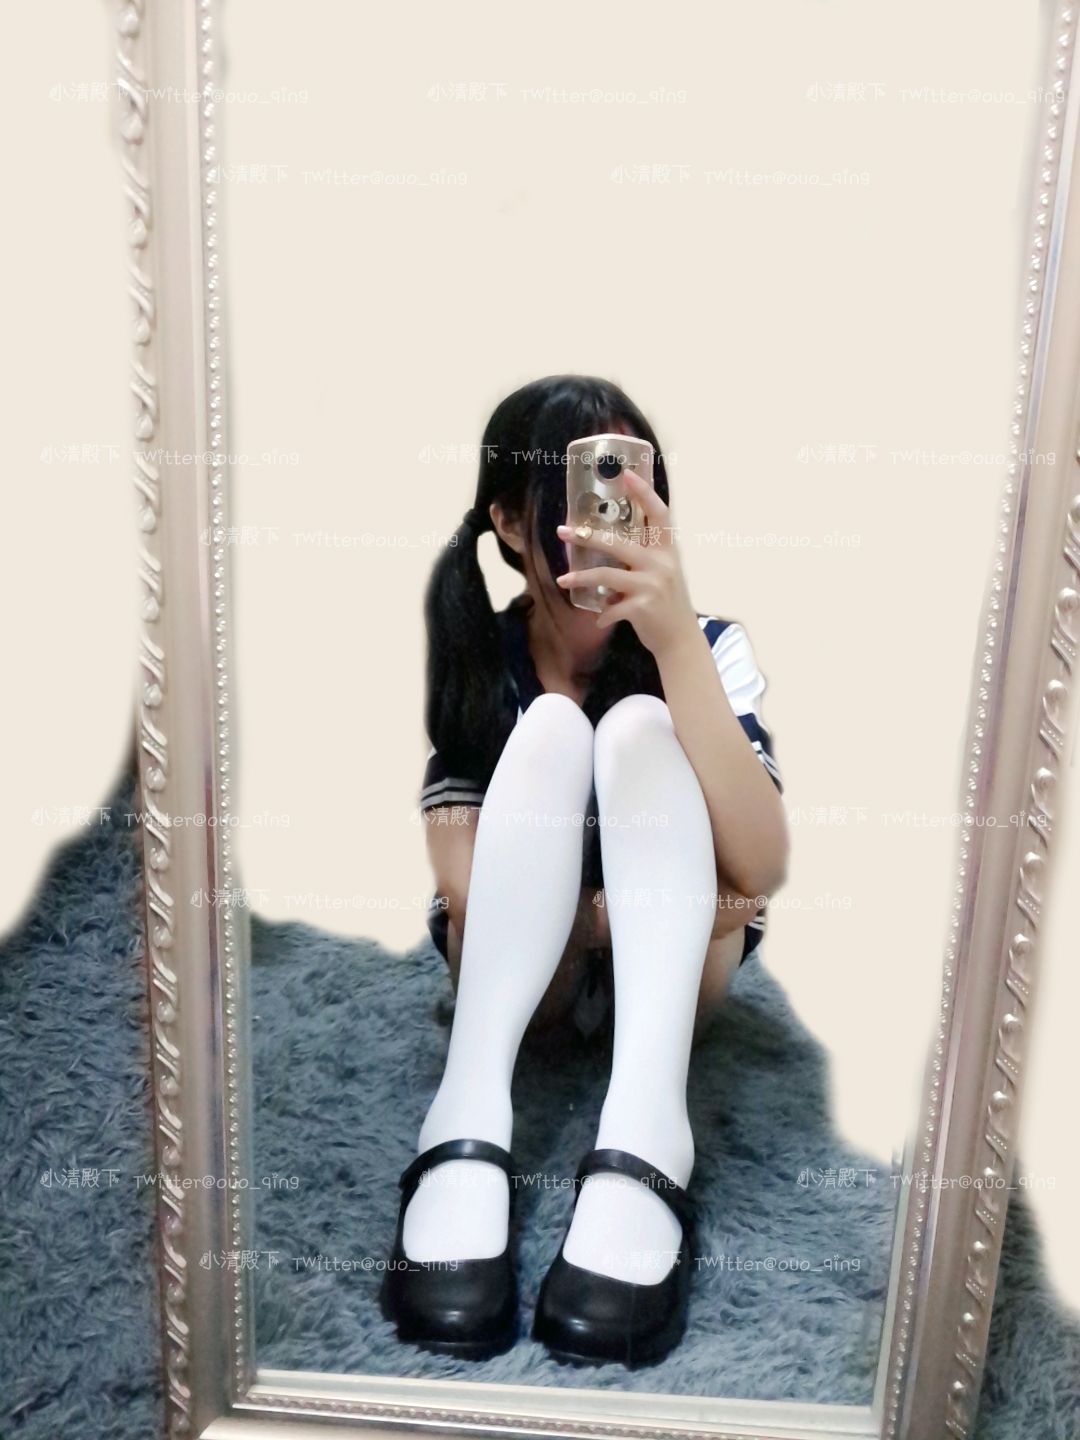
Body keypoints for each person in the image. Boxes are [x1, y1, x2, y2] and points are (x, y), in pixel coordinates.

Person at [381, 375, 788, 1367]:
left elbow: (760, 868)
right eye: (576, 490)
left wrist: (674, 640)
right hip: (528, 979)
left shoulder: (707, 647)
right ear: (509, 520)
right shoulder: (481, 649)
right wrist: (633, 910)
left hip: (674, 979)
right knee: (555, 731)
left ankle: (647, 1123)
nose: (602, 519)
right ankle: (468, 1105)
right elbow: (463, 882)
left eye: (625, 485)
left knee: (641, 727)